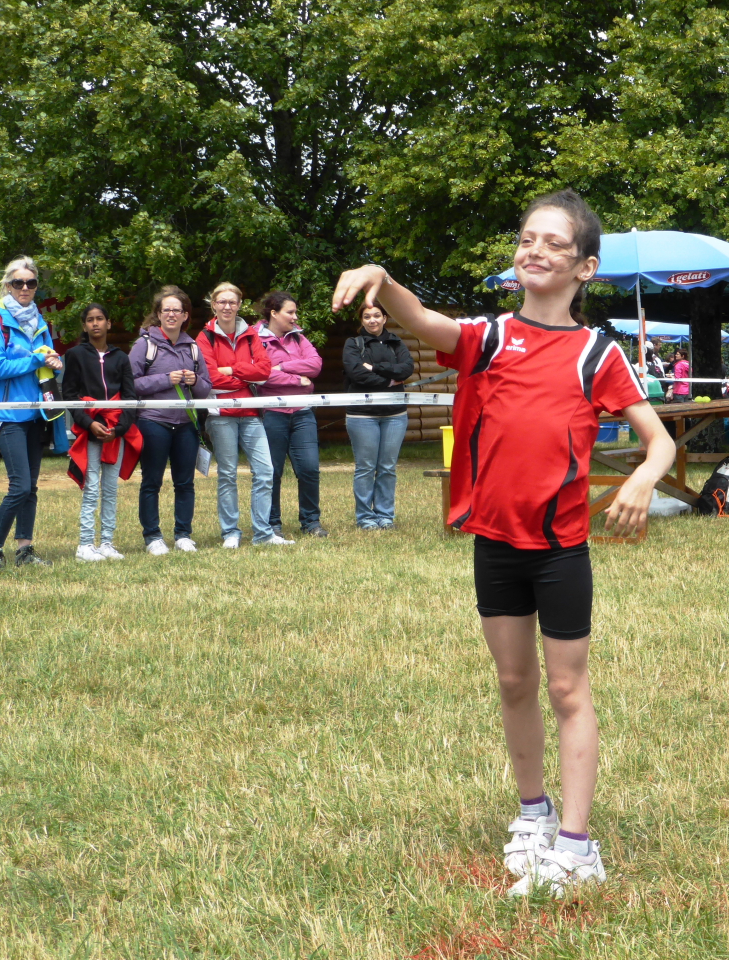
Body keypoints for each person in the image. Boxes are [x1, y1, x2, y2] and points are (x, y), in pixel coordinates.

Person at [331, 188, 675, 898]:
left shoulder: (596, 353)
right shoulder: (488, 338)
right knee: (514, 682)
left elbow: (660, 440)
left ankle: (576, 847)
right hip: (494, 543)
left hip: (560, 550)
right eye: (527, 238)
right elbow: (423, 319)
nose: (535, 250)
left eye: (554, 242)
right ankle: (533, 814)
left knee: (567, 687)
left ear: (585, 267)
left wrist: (644, 476)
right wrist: (381, 279)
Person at [198, 282, 291, 548]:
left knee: (265, 471)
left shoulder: (251, 335)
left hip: (251, 413)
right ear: (213, 305)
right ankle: (231, 533)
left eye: (232, 302)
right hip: (221, 414)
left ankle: (263, 533)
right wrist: (245, 373)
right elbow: (210, 378)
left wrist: (231, 369)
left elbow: (264, 371)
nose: (227, 306)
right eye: (222, 302)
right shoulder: (204, 337)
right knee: (227, 474)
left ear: (239, 305)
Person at [0, 257, 62, 569]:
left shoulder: (39, 321)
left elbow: (49, 361)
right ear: (8, 285)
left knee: (31, 487)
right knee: (20, 486)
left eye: (31, 283)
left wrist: (55, 362)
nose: (25, 288)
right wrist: (36, 359)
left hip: (36, 413)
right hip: (7, 414)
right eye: (18, 283)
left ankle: (25, 551)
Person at [131, 286, 212, 555]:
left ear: (185, 315)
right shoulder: (145, 345)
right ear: (158, 314)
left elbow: (205, 389)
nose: (172, 314)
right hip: (153, 421)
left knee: (185, 482)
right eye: (166, 310)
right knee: (151, 481)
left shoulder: (193, 347)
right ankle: (153, 536)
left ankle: (183, 535)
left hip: (186, 425)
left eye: (177, 310)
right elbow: (131, 384)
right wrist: (166, 379)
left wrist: (195, 380)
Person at [62, 304, 141, 561]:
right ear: (84, 326)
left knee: (110, 487)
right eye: (90, 320)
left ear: (108, 323)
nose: (95, 323)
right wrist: (89, 423)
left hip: (115, 429)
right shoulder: (75, 354)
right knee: (91, 487)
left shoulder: (121, 357)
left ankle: (107, 542)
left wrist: (119, 429)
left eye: (100, 319)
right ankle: (85, 544)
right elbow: (69, 395)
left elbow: (130, 396)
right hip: (91, 428)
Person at [256, 291, 327, 538]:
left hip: (303, 413)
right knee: (272, 471)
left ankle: (311, 522)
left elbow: (315, 365)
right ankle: (272, 523)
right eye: (290, 312)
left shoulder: (299, 337)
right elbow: (261, 374)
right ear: (274, 313)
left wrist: (282, 367)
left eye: (295, 312)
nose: (295, 317)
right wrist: (297, 379)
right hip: (271, 414)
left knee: (309, 469)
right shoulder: (255, 338)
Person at [342, 301, 414, 529]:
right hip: (362, 416)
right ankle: (365, 517)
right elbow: (356, 374)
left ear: (384, 318)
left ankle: (385, 515)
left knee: (387, 467)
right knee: (365, 468)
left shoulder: (396, 342)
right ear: (361, 320)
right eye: (367, 316)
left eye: (376, 315)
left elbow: (406, 369)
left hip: (395, 415)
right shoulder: (353, 344)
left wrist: (375, 368)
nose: (372, 320)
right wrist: (390, 381)